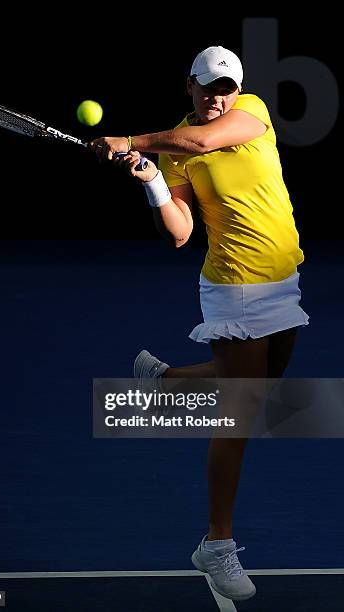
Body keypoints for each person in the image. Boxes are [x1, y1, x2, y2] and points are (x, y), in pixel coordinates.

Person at [89, 45, 309, 602]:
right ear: (188, 85)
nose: (217, 98)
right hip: (234, 286)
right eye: (208, 87)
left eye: (225, 88)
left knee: (262, 383)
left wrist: (133, 141)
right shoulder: (173, 149)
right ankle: (216, 545)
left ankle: (162, 384)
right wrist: (151, 180)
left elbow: (203, 140)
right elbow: (181, 231)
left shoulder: (249, 113)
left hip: (282, 278)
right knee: (241, 411)